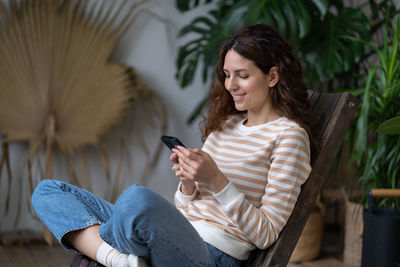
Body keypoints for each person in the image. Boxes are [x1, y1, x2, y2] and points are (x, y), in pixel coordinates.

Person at [32, 24, 313, 267]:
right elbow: (185, 207)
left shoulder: (289, 137)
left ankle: (119, 252)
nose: (231, 85)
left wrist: (216, 180)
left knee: (136, 201)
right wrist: (189, 185)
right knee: (48, 192)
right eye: (227, 74)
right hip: (175, 234)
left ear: (272, 77)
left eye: (243, 75)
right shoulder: (226, 126)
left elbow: (266, 234)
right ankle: (117, 259)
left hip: (211, 255)